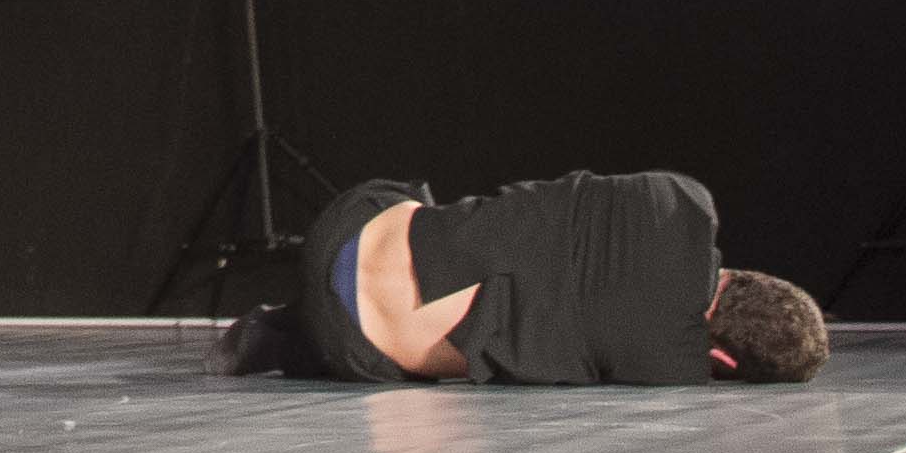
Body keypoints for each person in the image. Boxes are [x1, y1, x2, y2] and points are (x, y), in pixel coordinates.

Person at [212, 170, 830, 385]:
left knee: (438, 207)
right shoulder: (673, 362)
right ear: (721, 357)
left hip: (345, 230)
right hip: (352, 347)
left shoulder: (683, 198)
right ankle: (284, 336)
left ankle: (288, 323)